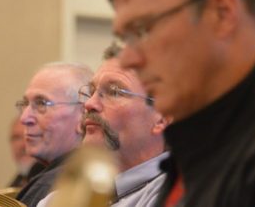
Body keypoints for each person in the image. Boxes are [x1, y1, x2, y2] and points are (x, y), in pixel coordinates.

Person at [106, 0, 255, 207]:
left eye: (142, 29)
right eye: (125, 38)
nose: (128, 59)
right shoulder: (198, 146)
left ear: (222, 12)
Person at [36, 44, 176, 207]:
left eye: (115, 92)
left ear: (162, 117)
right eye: (92, 91)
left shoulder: (175, 195)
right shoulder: (59, 198)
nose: (89, 103)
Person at [15, 62, 93, 207]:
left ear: (84, 115)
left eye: (41, 103)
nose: (24, 118)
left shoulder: (59, 187)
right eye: (25, 103)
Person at [8, 116, 44, 188]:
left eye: (29, 136)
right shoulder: (13, 186)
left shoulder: (59, 183)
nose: (22, 145)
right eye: (16, 137)